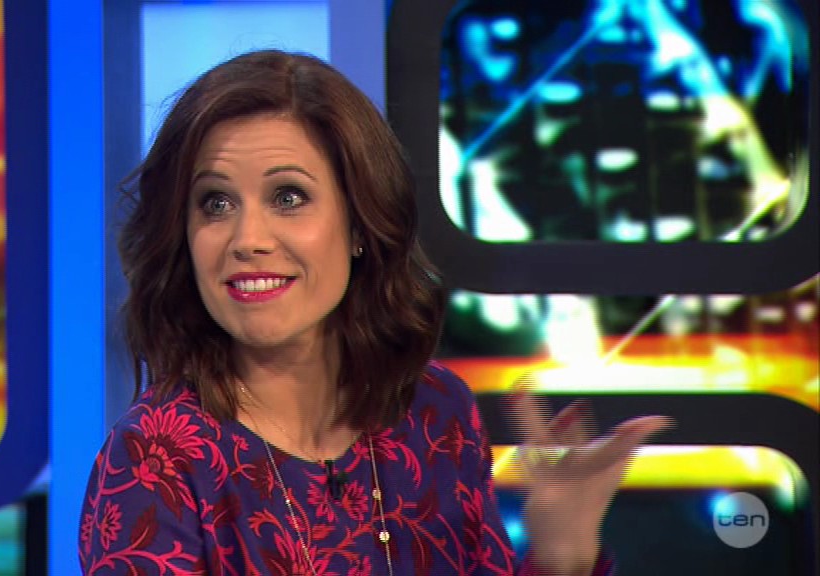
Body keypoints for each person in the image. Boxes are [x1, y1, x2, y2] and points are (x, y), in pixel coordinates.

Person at [78, 49, 672, 575]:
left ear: (361, 223)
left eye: (288, 197)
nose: (247, 239)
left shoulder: (434, 414)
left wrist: (564, 550)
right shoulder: (154, 458)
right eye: (215, 203)